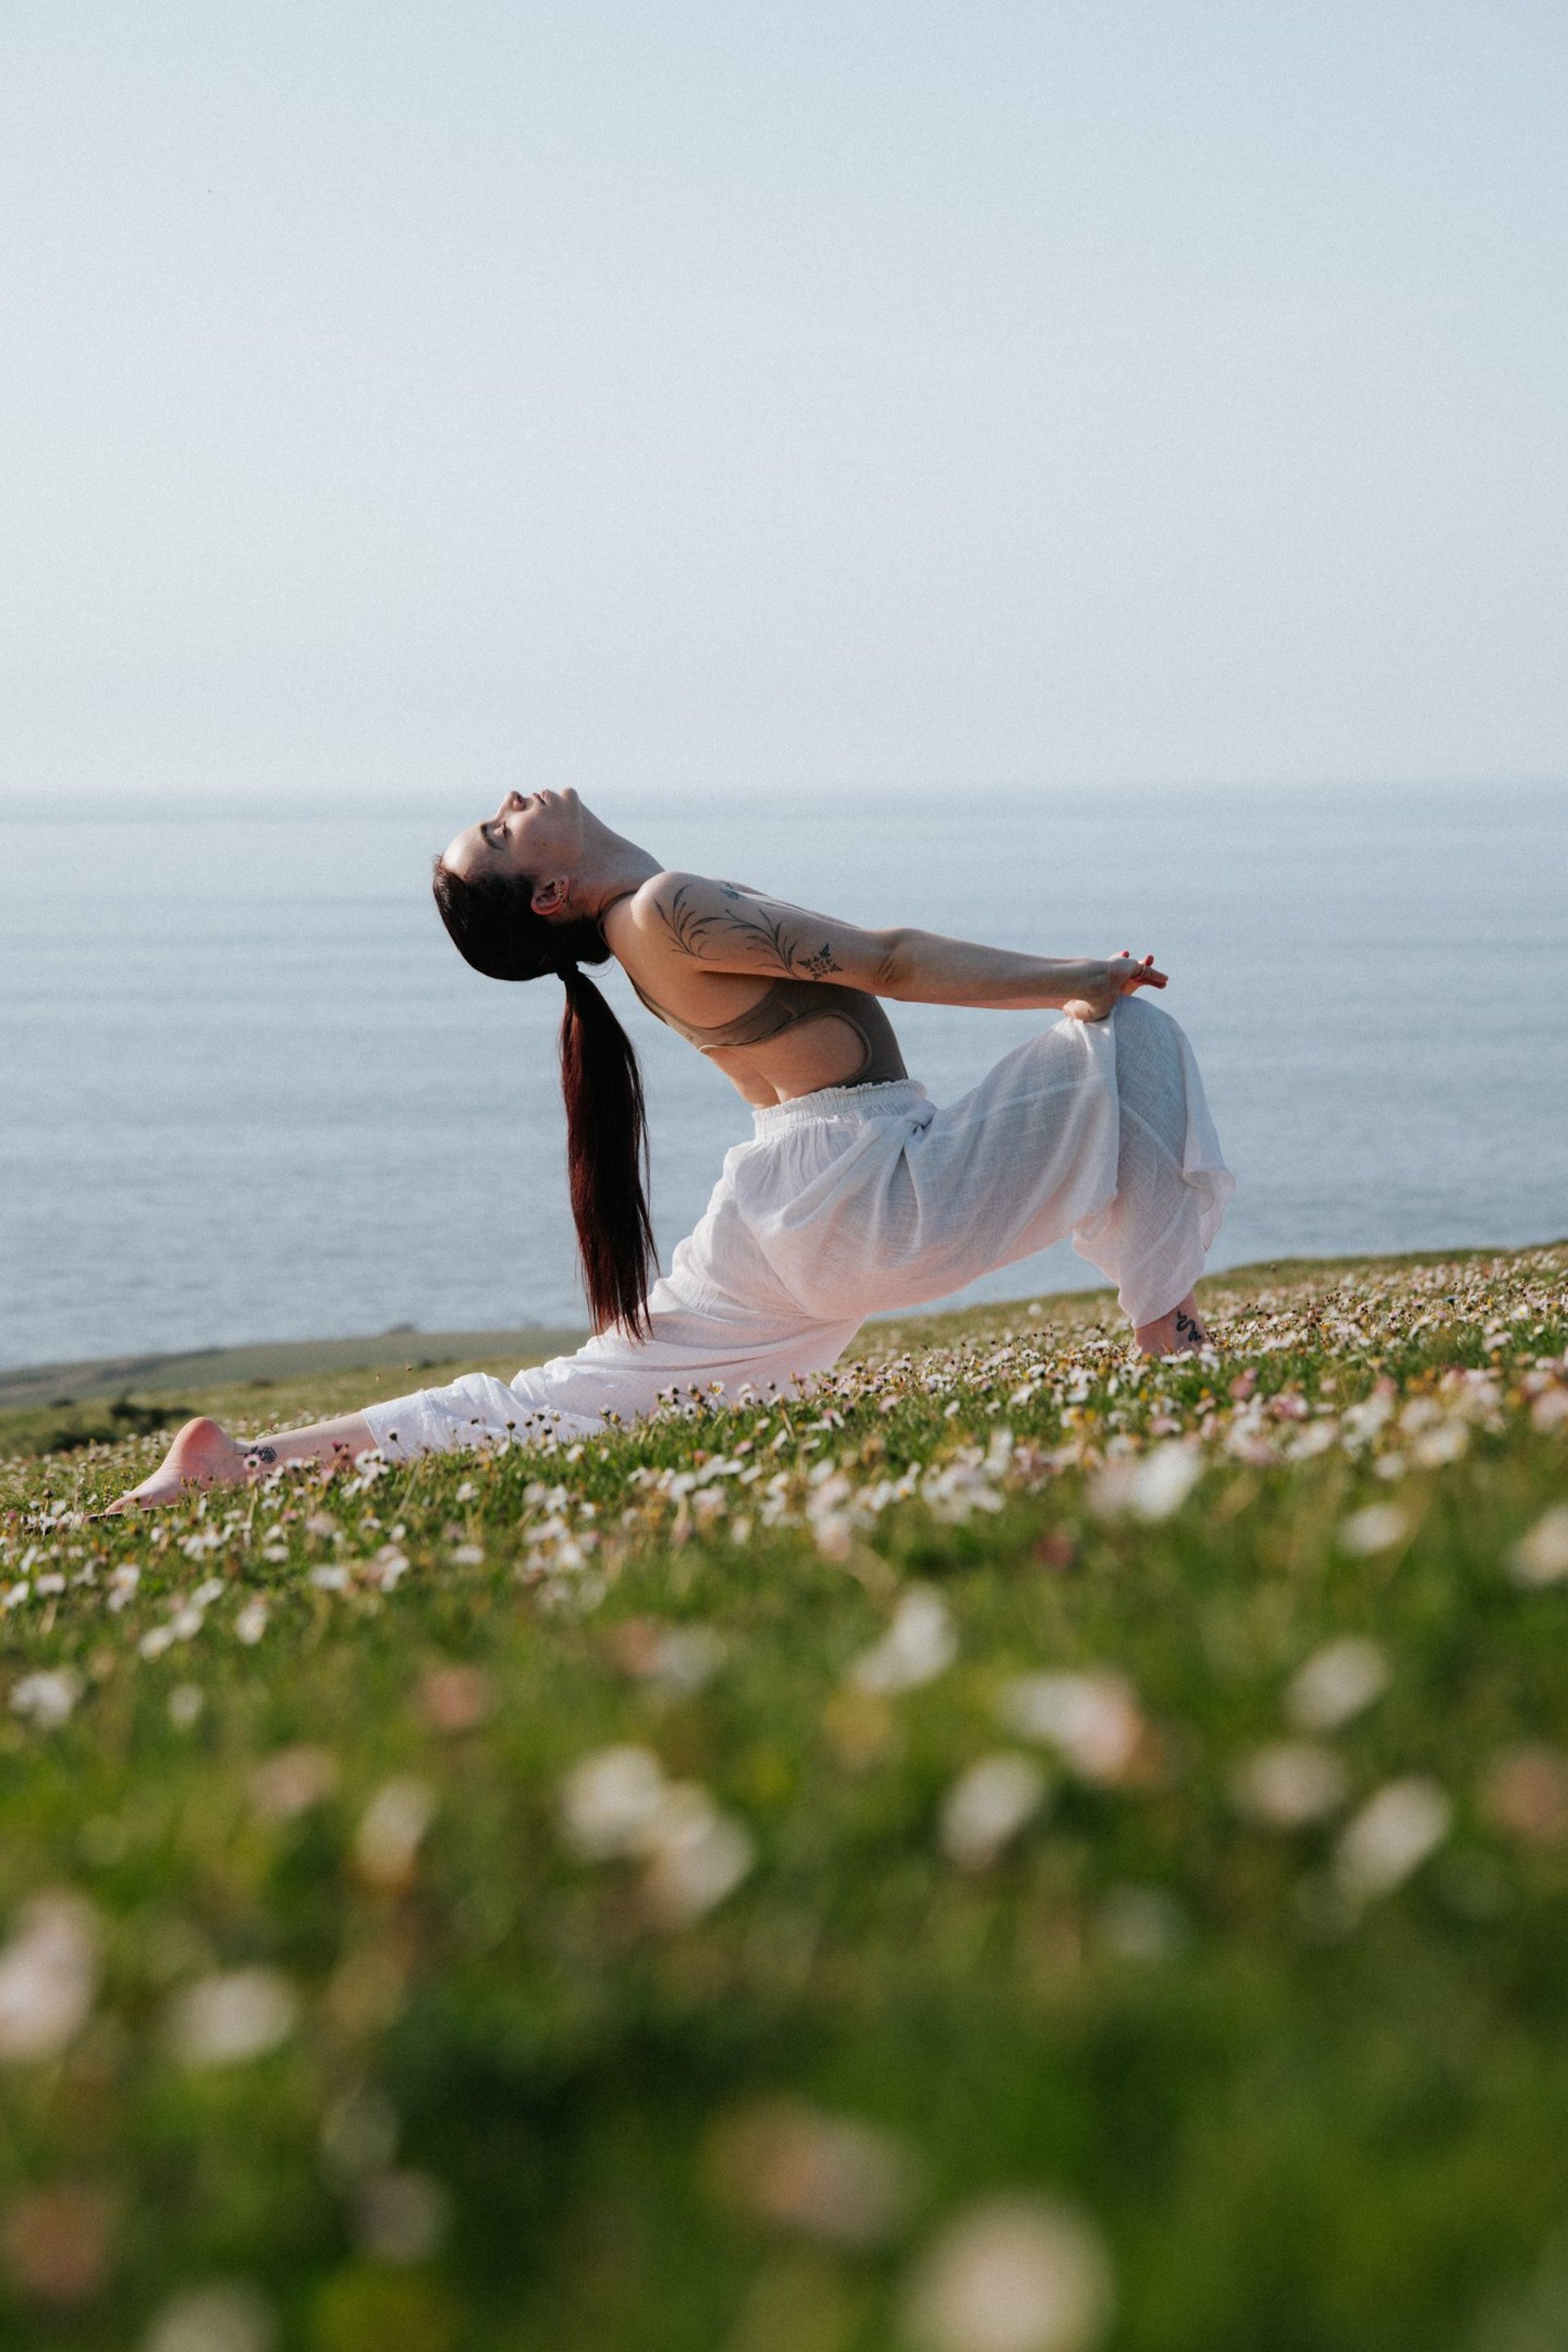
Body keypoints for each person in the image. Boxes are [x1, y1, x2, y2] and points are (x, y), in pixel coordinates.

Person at [111, 788, 1232, 1508]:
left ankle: (240, 1466)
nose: (511, 800)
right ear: (550, 893)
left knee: (567, 1397)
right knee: (1130, 1037)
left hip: (792, 1193)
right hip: (862, 1192)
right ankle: (1167, 1341)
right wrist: (1077, 978)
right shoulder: (662, 910)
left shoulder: (637, 935)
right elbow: (885, 958)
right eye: (500, 832)